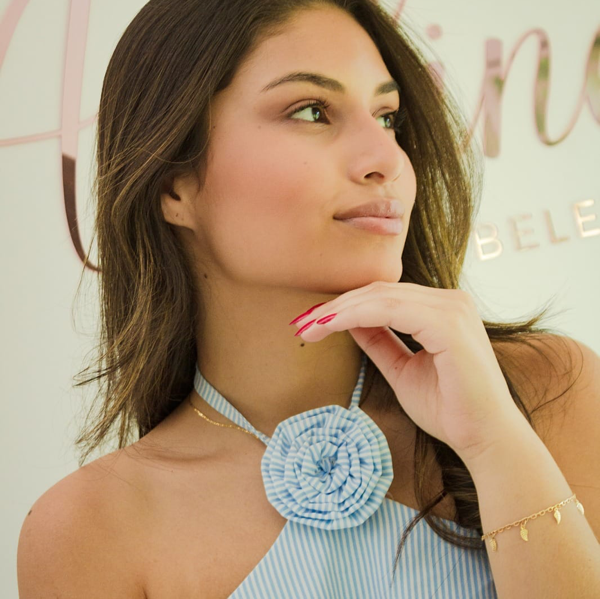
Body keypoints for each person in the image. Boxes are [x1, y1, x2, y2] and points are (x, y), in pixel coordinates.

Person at [17, 1, 600, 598]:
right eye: (312, 111)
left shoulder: (549, 392)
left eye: (387, 117)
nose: (386, 161)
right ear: (174, 184)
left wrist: (496, 444)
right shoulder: (92, 527)